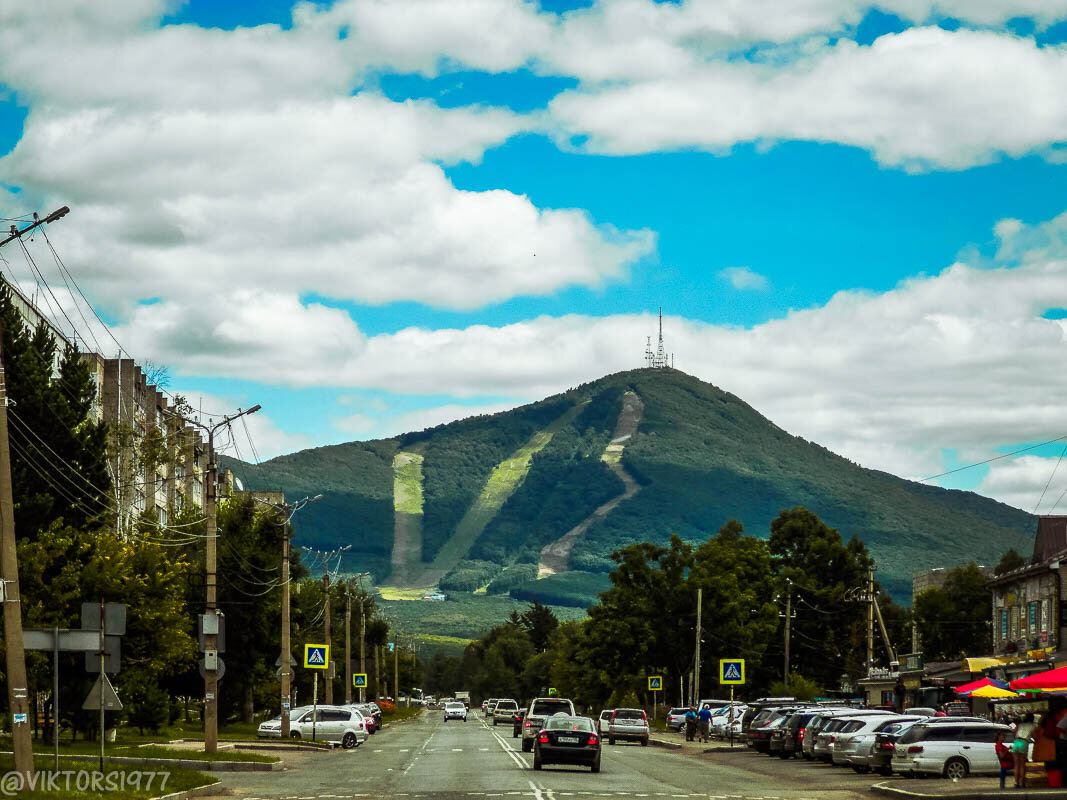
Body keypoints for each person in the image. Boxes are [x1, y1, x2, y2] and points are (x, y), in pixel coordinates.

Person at [1013, 712, 1036, 788]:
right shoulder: (1033, 726)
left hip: (1016, 742)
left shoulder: (1020, 724)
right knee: (1022, 765)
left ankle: (1016, 782)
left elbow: (1014, 732)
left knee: (1016, 765)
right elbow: (1035, 736)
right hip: (1024, 742)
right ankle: (1021, 783)